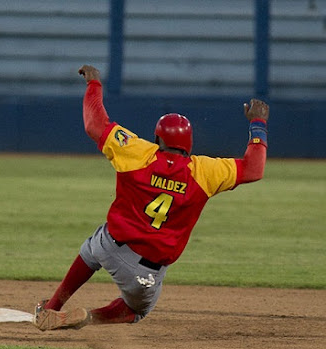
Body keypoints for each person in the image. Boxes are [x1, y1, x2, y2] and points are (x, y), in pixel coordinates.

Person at [33, 65, 269, 330]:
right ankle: (89, 317)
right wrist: (258, 124)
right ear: (189, 143)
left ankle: (52, 307)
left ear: (158, 137)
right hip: (146, 271)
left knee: (91, 250)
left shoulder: (136, 151)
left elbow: (94, 124)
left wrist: (94, 84)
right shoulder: (205, 171)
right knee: (135, 310)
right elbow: (254, 169)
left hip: (111, 244)